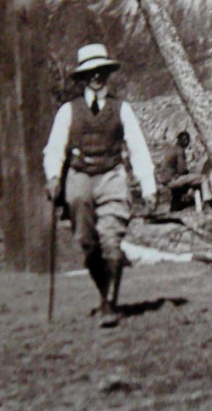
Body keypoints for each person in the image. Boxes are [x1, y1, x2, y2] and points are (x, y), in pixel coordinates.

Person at [43, 43, 156, 328]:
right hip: (80, 177)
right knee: (86, 242)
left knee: (111, 239)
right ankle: (103, 291)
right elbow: (55, 148)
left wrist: (148, 185)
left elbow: (138, 147)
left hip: (112, 176)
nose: (97, 78)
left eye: (101, 72)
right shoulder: (68, 111)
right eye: (91, 73)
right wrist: (53, 177)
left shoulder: (122, 109)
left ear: (108, 74)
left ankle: (109, 304)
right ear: (82, 78)